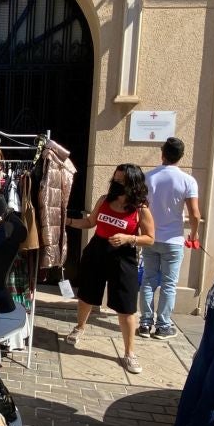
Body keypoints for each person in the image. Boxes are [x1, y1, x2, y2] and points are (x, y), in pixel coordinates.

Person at [63, 164, 155, 374]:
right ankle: (79, 327)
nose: (117, 183)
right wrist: (67, 221)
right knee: (86, 295)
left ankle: (129, 353)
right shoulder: (104, 200)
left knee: (126, 306)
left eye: (122, 181)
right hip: (96, 251)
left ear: (133, 183)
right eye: (115, 179)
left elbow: (150, 238)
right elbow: (89, 222)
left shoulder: (140, 209)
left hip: (123, 257)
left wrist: (128, 238)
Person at [138, 137, 201, 340]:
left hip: (150, 237)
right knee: (168, 284)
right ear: (181, 156)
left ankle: (145, 323)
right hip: (173, 240)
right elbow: (195, 214)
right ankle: (163, 326)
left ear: (162, 153)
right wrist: (194, 233)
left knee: (148, 280)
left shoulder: (148, 177)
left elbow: (140, 207)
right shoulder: (188, 181)